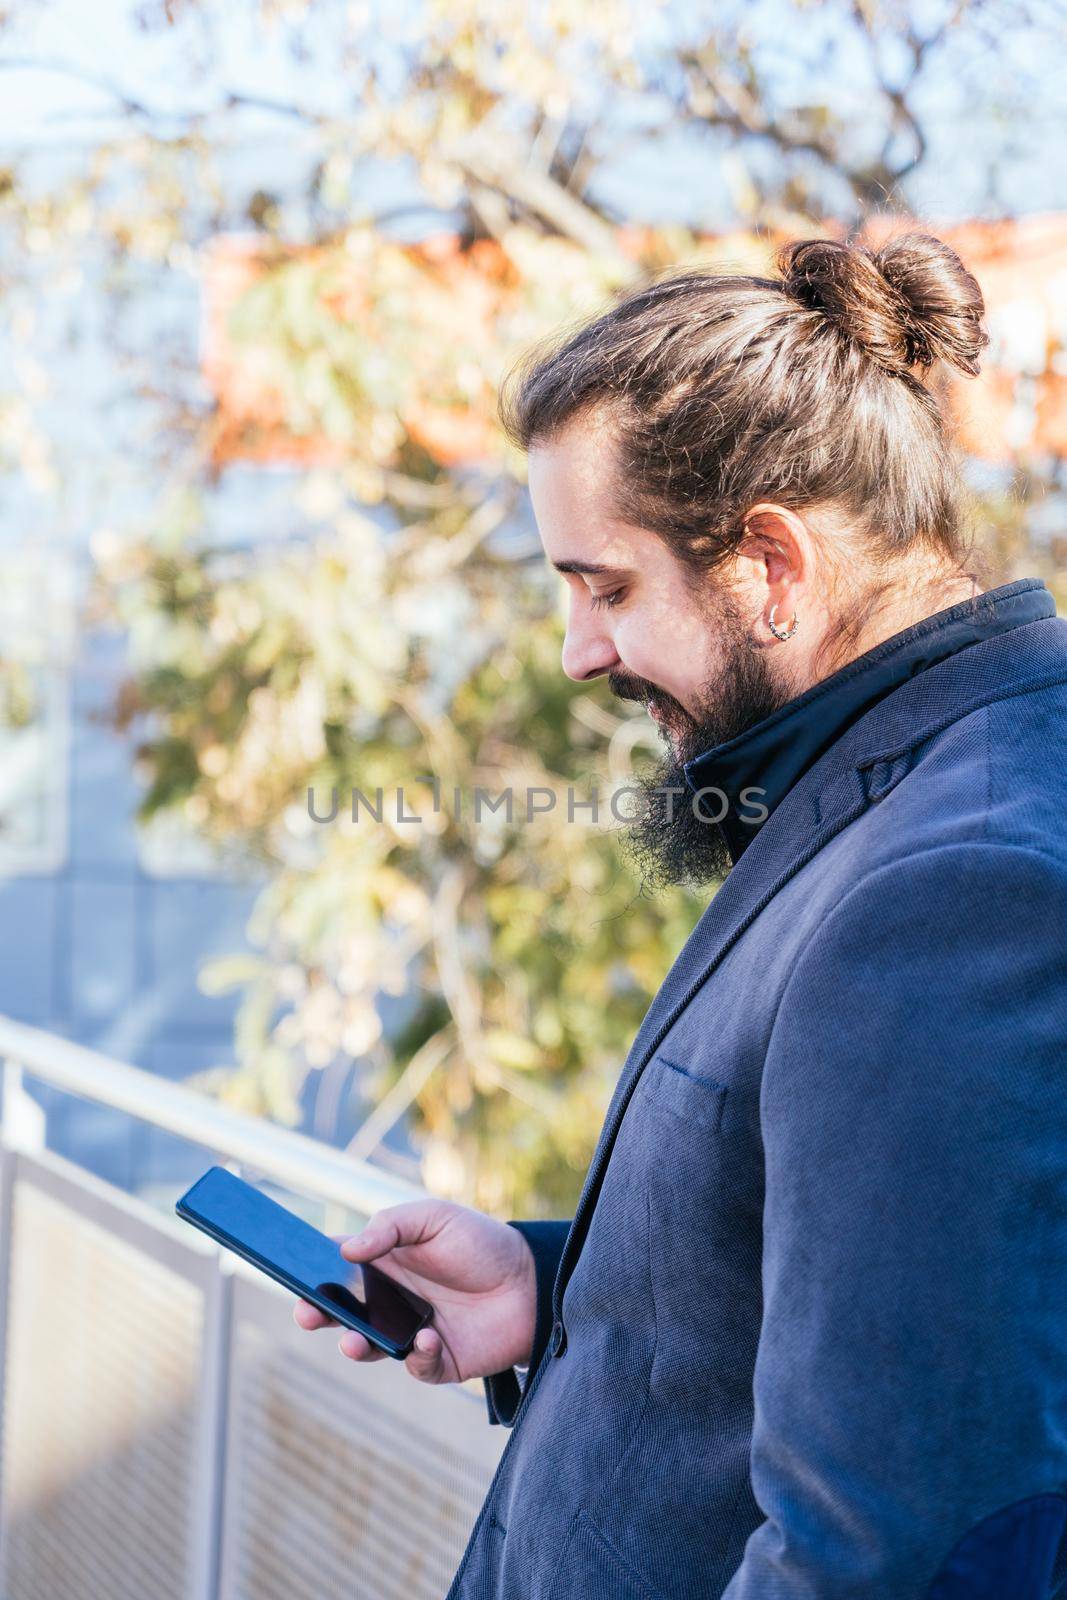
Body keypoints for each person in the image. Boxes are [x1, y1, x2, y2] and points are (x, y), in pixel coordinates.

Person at [295, 232, 1067, 1597]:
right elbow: (896, 1268)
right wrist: (559, 1284)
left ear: (770, 561)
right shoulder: (895, 779)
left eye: (608, 587)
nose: (583, 651)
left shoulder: (956, 883)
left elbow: (894, 1550)